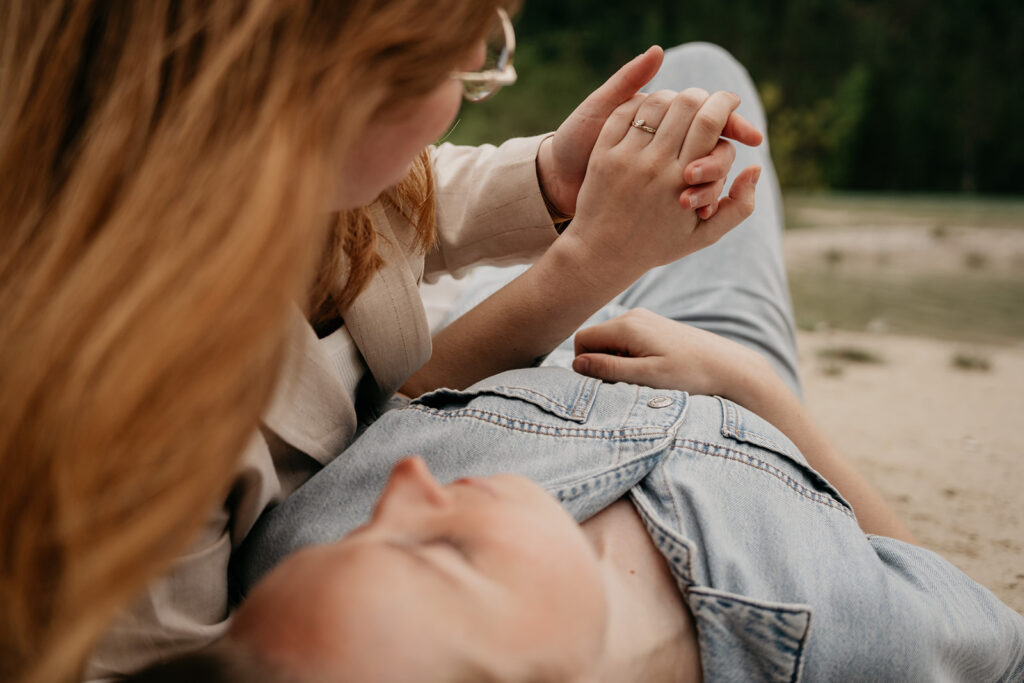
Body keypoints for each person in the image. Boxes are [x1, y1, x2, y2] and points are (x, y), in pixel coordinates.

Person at [133, 43, 1022, 682]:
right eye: (452, 62)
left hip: (515, 361)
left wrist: (563, 189)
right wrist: (748, 385)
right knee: (710, 85)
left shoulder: (314, 571)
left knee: (694, 77)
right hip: (724, 394)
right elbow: (970, 617)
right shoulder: (838, 634)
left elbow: (407, 401)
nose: (404, 490)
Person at [0, 2, 762, 681]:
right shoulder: (113, 443)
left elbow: (389, 195)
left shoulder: (244, 181)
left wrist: (551, 177)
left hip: (549, 370)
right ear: (314, 94)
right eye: (454, 63)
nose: (475, 68)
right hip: (561, 429)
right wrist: (593, 264)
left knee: (701, 71)